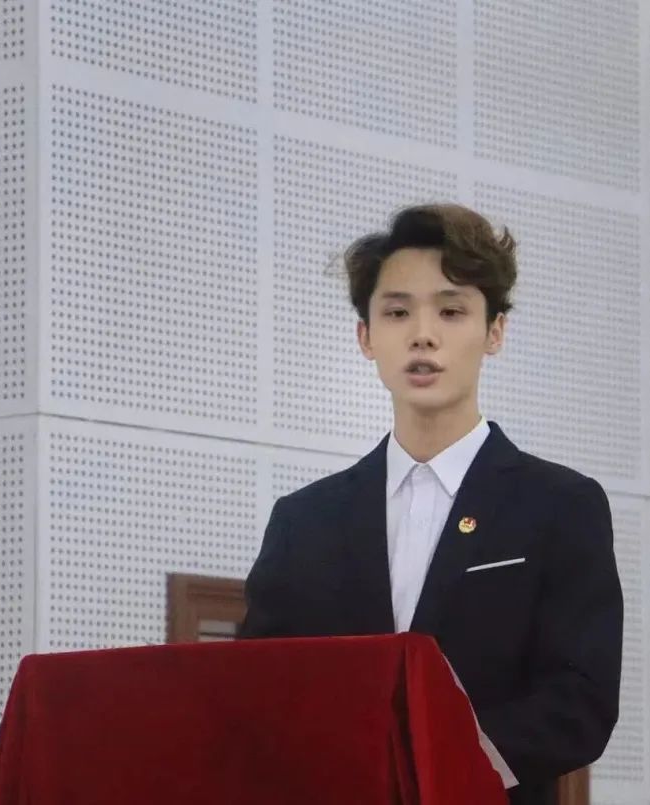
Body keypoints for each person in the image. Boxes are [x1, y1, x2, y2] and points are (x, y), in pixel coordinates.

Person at [240, 203, 623, 805]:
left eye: (451, 310)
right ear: (366, 337)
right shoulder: (302, 521)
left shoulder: (561, 506)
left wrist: (441, 765)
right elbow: (255, 693)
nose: (422, 334)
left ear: (495, 332)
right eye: (397, 312)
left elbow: (582, 700)